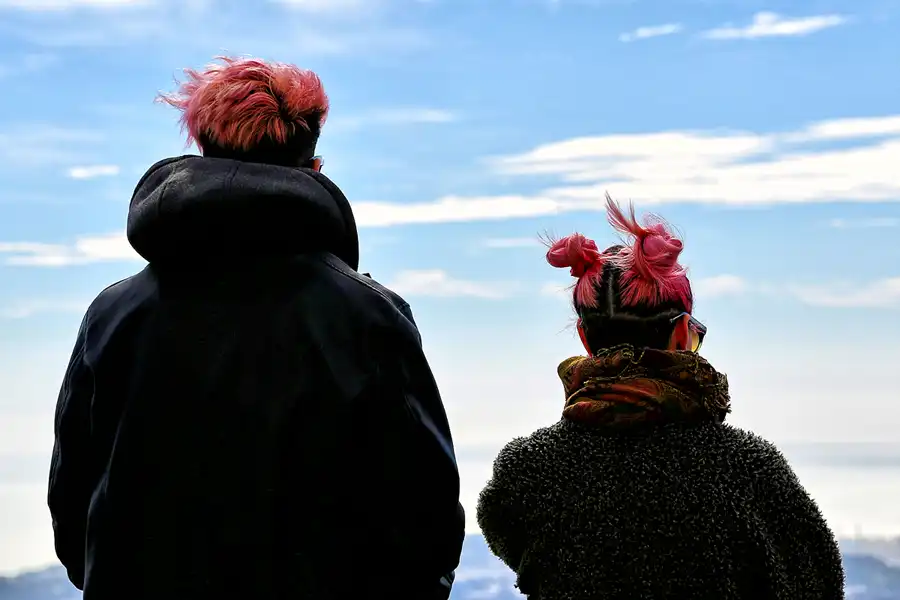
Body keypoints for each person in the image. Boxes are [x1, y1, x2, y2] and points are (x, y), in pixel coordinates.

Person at [47, 56, 465, 600]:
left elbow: (72, 499)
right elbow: (425, 506)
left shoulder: (112, 314)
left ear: (202, 154)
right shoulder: (367, 316)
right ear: (314, 167)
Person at [476, 196, 845, 599]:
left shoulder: (526, 472)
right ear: (682, 334)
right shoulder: (750, 470)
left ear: (584, 338)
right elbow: (818, 581)